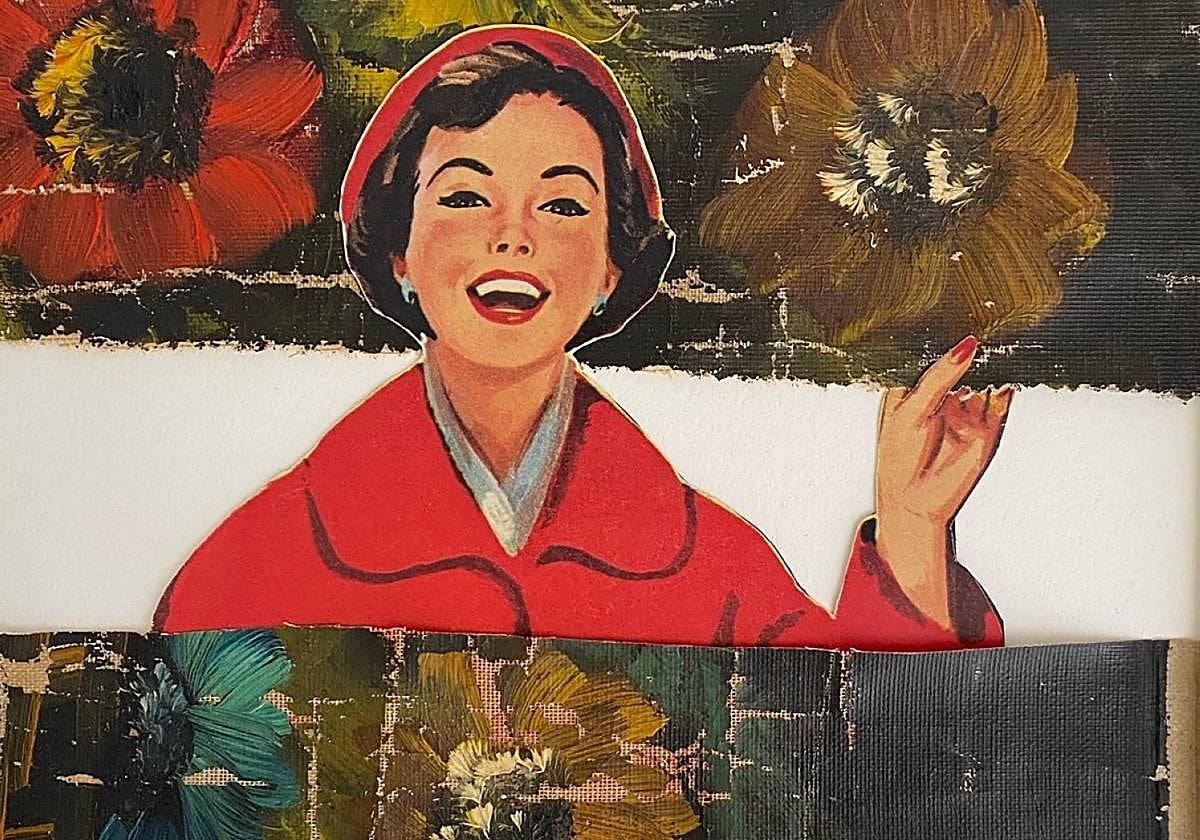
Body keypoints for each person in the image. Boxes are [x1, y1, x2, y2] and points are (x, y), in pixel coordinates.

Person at [155, 25, 1010, 650]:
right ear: (397, 248)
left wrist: (912, 529)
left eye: (563, 204)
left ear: (611, 265)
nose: (513, 237)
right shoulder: (252, 566)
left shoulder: (718, 570)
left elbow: (858, 763)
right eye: (464, 196)